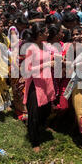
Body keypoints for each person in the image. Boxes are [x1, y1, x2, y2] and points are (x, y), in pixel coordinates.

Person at [22, 22, 56, 153]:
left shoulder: (46, 45)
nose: (48, 34)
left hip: (46, 81)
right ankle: (34, 140)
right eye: (46, 32)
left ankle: (42, 126)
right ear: (39, 34)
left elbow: (49, 56)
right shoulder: (31, 48)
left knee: (46, 108)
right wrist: (47, 64)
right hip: (35, 84)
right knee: (34, 112)